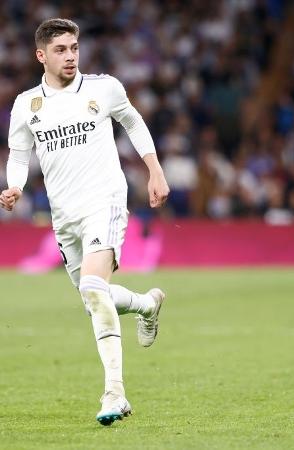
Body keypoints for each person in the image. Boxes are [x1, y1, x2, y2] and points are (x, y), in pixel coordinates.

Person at [0, 18, 170, 426]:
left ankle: (115, 393)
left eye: (74, 47)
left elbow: (132, 120)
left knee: (95, 288)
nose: (71, 55)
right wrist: (15, 187)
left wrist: (155, 169)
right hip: (64, 214)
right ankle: (147, 304)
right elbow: (20, 153)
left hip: (105, 201)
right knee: (94, 300)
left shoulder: (103, 88)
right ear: (41, 55)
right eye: (60, 49)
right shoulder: (27, 104)